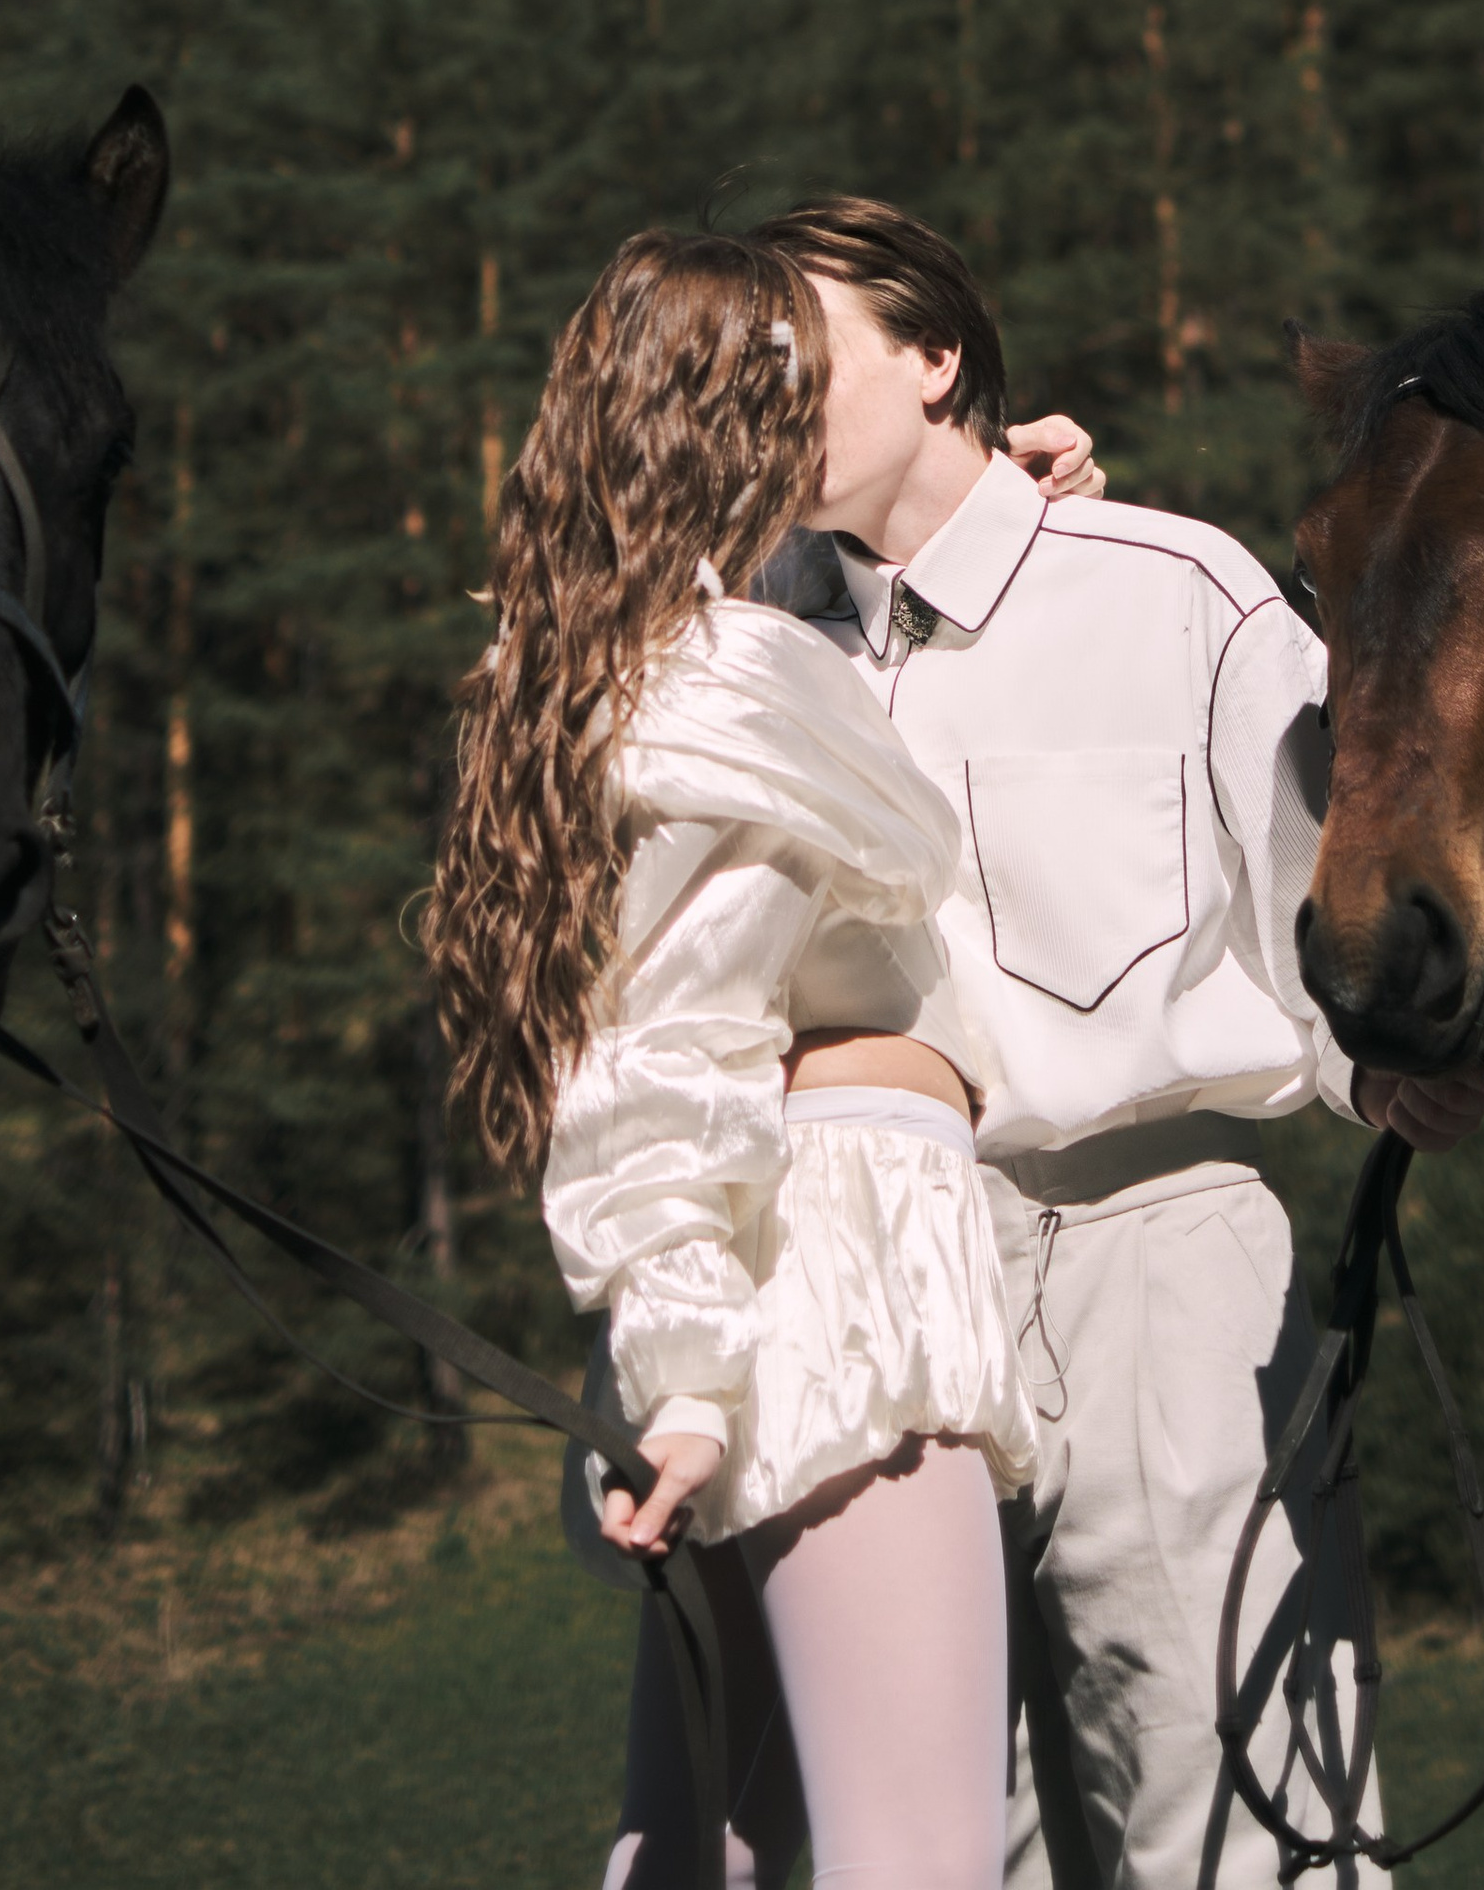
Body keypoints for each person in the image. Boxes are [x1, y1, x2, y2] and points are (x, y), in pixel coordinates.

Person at [753, 198, 1484, 1890]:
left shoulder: (1175, 591)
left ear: (936, 355)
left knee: (1234, 1818)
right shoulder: (758, 647)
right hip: (869, 1280)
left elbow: (1329, 889)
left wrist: (1389, 1065)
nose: (755, 393)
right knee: (936, 1839)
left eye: (796, 353)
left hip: (1155, 1256)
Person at [424, 229, 1041, 1890]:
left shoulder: (611, 671)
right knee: (914, 1862)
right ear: (738, 415)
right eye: (799, 372)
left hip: (750, 1284)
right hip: (839, 1281)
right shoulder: (735, 690)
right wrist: (693, 1380)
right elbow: (667, 1050)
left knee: (711, 1852)